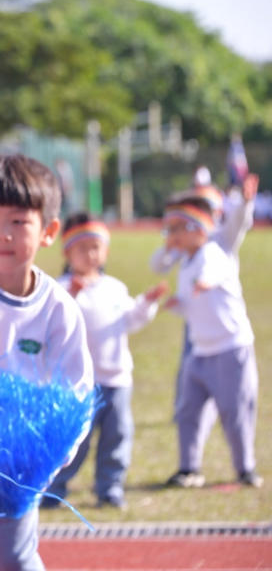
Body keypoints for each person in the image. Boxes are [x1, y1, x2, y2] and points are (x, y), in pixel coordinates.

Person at [0, 154, 94, 571]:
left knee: (18, 561)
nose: (2, 235)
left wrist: (50, 457)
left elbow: (76, 392)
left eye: (18, 222)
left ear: (49, 231)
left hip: (12, 457)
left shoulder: (59, 308)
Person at [43, 214, 167, 510]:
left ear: (105, 251)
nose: (90, 254)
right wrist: (71, 293)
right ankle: (54, 488)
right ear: (67, 252)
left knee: (117, 436)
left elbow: (131, 319)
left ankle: (110, 488)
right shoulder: (60, 288)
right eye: (82, 247)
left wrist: (147, 303)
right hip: (77, 382)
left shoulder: (114, 288)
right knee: (74, 439)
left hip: (116, 379)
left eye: (96, 247)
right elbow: (52, 324)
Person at [161, 195, 261, 489]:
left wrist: (204, 282)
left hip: (230, 349)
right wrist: (177, 303)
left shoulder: (213, 254)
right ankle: (189, 468)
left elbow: (211, 275)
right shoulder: (187, 262)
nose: (174, 235)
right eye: (172, 228)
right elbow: (191, 300)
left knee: (235, 411)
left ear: (200, 228)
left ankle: (246, 468)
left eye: (180, 227)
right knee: (188, 411)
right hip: (200, 351)